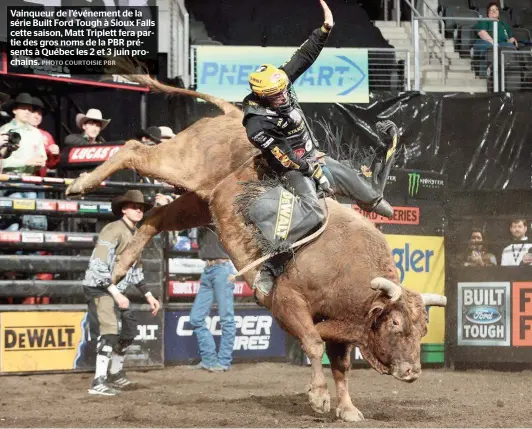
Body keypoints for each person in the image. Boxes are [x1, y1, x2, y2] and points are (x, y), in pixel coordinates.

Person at [242, 0, 396, 295]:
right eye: (275, 95)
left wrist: (324, 29)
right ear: (262, 96)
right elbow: (281, 156)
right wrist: (309, 168)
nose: (283, 96)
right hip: (291, 168)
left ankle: (372, 197)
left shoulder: (281, 83)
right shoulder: (256, 123)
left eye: (283, 90)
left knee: (364, 189)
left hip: (314, 154)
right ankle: (273, 264)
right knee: (314, 213)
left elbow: (304, 56)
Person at [82, 190, 161, 395]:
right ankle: (98, 381)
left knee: (128, 333)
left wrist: (148, 295)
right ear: (124, 209)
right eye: (134, 206)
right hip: (99, 288)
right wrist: (116, 293)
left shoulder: (136, 234)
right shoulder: (113, 229)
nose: (139, 210)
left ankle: (115, 374)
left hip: (116, 289)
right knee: (109, 331)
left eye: (141, 207)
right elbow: (98, 265)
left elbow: (135, 269)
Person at [189, 227, 236, 372]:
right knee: (196, 318)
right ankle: (209, 359)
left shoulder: (213, 212)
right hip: (208, 270)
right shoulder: (199, 218)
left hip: (222, 268)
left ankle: (223, 362)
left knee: (226, 319)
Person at [0, 92, 47, 175]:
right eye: (24, 108)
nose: (27, 112)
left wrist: (40, 162)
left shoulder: (36, 133)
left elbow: (42, 156)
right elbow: (2, 161)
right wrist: (26, 162)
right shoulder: (4, 130)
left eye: (30, 110)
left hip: (30, 179)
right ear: (15, 110)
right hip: (8, 179)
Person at [473, 3, 517, 76]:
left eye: (496, 9)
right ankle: (484, 74)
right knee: (490, 47)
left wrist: (512, 40)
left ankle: (506, 74)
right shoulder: (485, 21)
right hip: (486, 42)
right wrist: (494, 43)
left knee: (510, 47)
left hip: (500, 44)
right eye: (491, 10)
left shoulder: (504, 25)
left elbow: (507, 39)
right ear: (488, 13)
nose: (494, 11)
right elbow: (482, 33)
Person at [29, 97, 60, 176]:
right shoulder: (16, 132)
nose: (37, 116)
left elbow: (52, 165)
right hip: (18, 179)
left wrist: (55, 154)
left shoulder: (46, 136)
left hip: (39, 182)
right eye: (34, 112)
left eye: (40, 113)